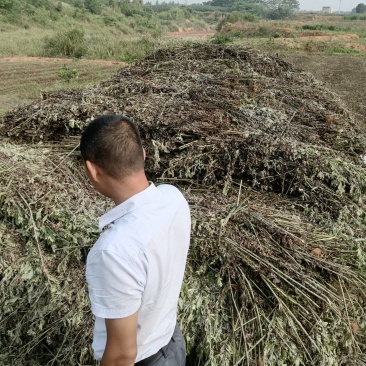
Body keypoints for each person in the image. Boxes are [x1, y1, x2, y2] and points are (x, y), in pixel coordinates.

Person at [80, 115, 191, 366]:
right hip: (172, 342)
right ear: (143, 153)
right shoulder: (173, 198)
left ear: (92, 170)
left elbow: (122, 356)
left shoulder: (112, 251)